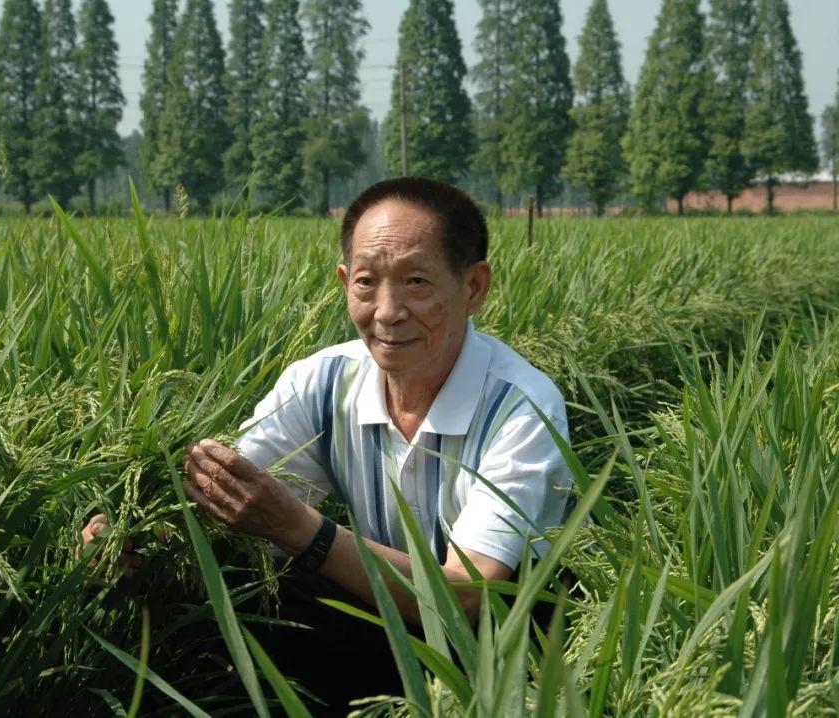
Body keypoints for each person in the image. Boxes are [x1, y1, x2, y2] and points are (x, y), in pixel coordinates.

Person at [82, 176, 572, 714]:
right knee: (243, 590)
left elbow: (467, 596)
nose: (387, 311)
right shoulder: (322, 382)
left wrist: (300, 530)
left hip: (504, 650)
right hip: (384, 623)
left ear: (474, 287)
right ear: (345, 283)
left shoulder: (520, 408)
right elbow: (229, 494)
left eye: (415, 282)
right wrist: (138, 534)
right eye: (367, 282)